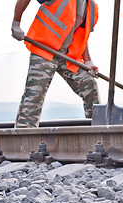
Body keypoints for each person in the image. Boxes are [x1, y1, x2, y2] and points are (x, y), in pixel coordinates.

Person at [11, 0, 100, 128]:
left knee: (89, 85)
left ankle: (97, 130)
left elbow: (82, 35)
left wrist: (88, 61)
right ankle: (23, 137)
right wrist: (16, 23)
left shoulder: (90, 6)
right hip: (44, 49)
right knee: (34, 96)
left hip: (66, 56)